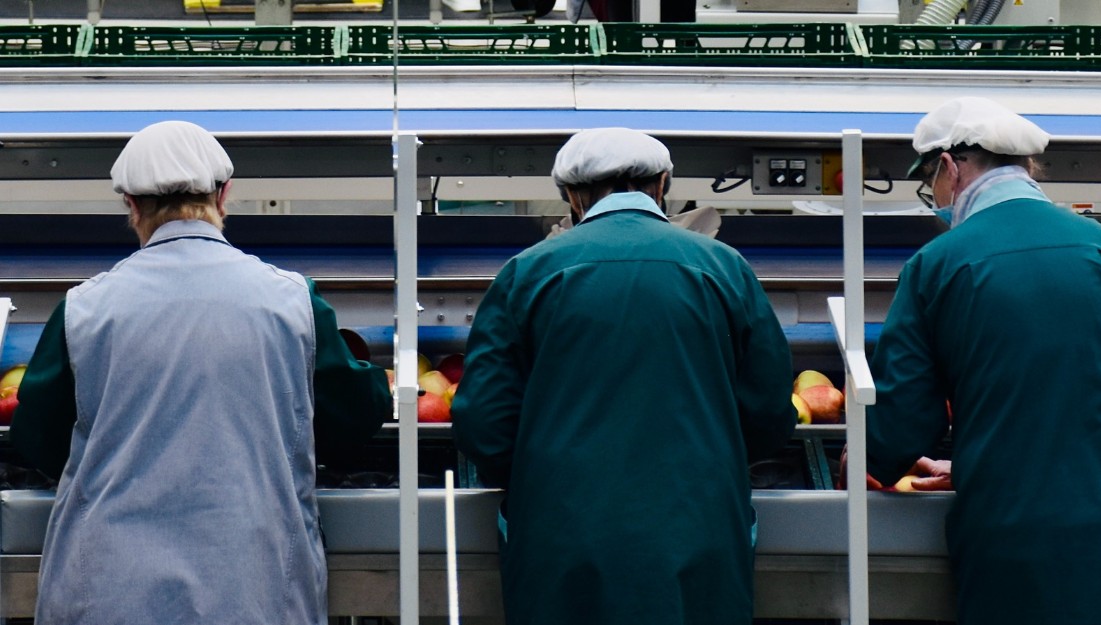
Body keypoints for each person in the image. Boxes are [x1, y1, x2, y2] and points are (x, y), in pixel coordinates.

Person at [9, 120, 391, 625]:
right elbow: (356, 417)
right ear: (224, 194)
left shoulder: (83, 310)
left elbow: (36, 438)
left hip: (111, 593)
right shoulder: (294, 303)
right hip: (255, 588)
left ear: (130, 205)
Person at [861, 96, 1101, 624]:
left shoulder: (937, 263)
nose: (935, 197)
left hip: (1023, 517)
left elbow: (904, 418)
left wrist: (866, 458)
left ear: (949, 167)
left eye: (930, 182)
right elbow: (1092, 380)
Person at [451, 127, 796, 625]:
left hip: (564, 534)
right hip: (697, 529)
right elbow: (767, 412)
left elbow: (483, 422)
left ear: (571, 195)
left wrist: (543, 482)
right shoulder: (725, 268)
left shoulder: (527, 273)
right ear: (661, 185)